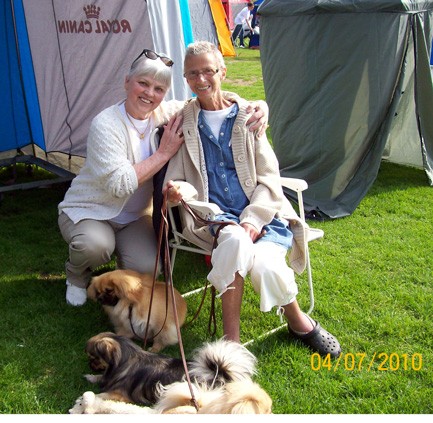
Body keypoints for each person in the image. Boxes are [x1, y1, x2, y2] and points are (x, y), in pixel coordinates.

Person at [163, 41, 341, 358]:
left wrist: (253, 219)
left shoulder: (249, 117)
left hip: (263, 214)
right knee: (234, 239)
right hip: (214, 218)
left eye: (208, 71)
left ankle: (296, 321)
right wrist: (178, 191)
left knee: (267, 265)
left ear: (223, 71)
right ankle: (234, 341)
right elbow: (178, 179)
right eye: (192, 74)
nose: (201, 79)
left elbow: (269, 177)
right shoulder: (182, 122)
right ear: (186, 79)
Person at [58, 48, 269, 307]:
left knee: (149, 267)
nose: (149, 93)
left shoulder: (164, 113)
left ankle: (121, 273)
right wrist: (163, 153)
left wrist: (256, 106)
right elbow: (119, 185)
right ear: (127, 82)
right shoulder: (106, 124)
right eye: (143, 83)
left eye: (158, 89)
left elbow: (210, 98)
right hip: (91, 210)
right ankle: (76, 275)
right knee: (95, 246)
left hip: (135, 217)